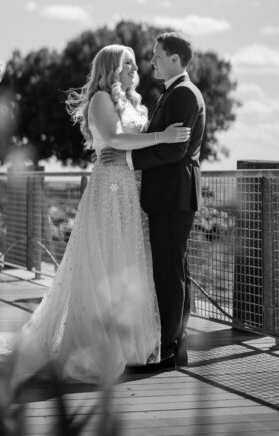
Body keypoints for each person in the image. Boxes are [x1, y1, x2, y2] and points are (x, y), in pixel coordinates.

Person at [11, 44, 190, 385]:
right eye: (128, 64)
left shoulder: (135, 102)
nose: (135, 68)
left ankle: (129, 343)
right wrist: (161, 136)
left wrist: (159, 139)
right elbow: (112, 138)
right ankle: (95, 344)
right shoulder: (100, 100)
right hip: (108, 187)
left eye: (136, 63)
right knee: (105, 261)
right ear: (111, 68)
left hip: (129, 190)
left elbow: (135, 143)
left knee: (126, 261)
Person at [96, 32, 205, 373]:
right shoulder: (173, 92)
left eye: (158, 55)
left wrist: (128, 162)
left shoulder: (184, 93)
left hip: (174, 195)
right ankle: (175, 344)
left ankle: (171, 350)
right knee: (174, 271)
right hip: (169, 195)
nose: (152, 60)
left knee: (169, 273)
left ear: (175, 58)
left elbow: (177, 149)